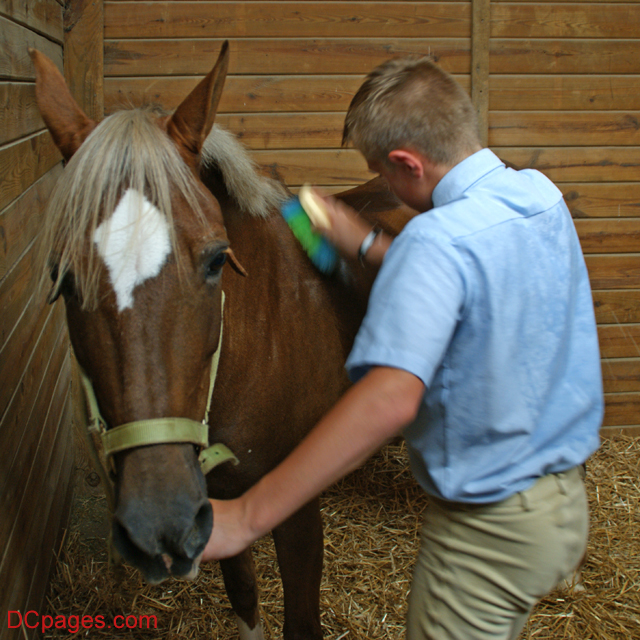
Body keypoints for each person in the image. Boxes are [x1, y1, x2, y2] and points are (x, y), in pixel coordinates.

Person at [202, 56, 603, 640]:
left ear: (407, 164)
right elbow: (475, 280)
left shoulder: (434, 244)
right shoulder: (538, 195)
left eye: (381, 173)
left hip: (486, 532)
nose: (383, 186)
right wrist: (368, 244)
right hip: (560, 509)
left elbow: (389, 400)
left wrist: (245, 516)